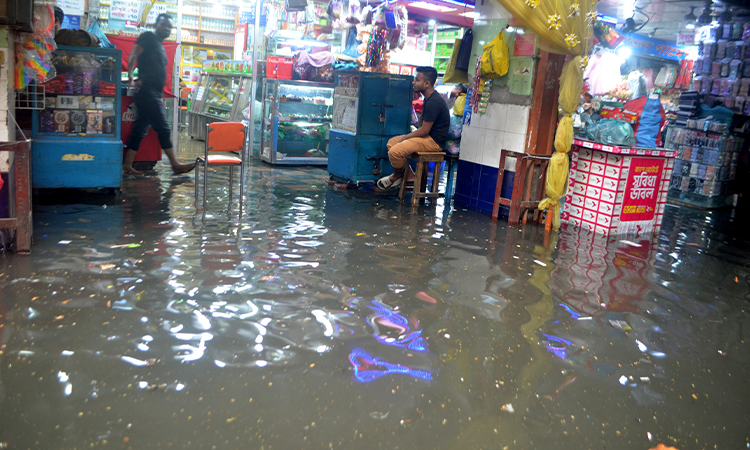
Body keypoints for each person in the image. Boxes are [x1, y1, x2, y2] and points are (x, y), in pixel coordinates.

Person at [123, 14, 194, 175]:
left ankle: (127, 166)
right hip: (147, 92)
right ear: (156, 25)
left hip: (154, 92)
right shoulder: (148, 37)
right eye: (163, 25)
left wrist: (159, 95)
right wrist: (130, 77)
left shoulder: (160, 45)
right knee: (163, 128)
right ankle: (175, 165)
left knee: (139, 129)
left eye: (169, 26)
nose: (166, 28)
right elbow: (133, 54)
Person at [377, 66, 450, 190]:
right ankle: (410, 174)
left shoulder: (434, 102)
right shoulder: (428, 98)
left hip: (434, 142)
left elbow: (425, 130)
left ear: (427, 83)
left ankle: (396, 176)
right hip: (426, 137)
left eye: (417, 80)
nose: (414, 82)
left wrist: (406, 137)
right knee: (391, 143)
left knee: (395, 152)